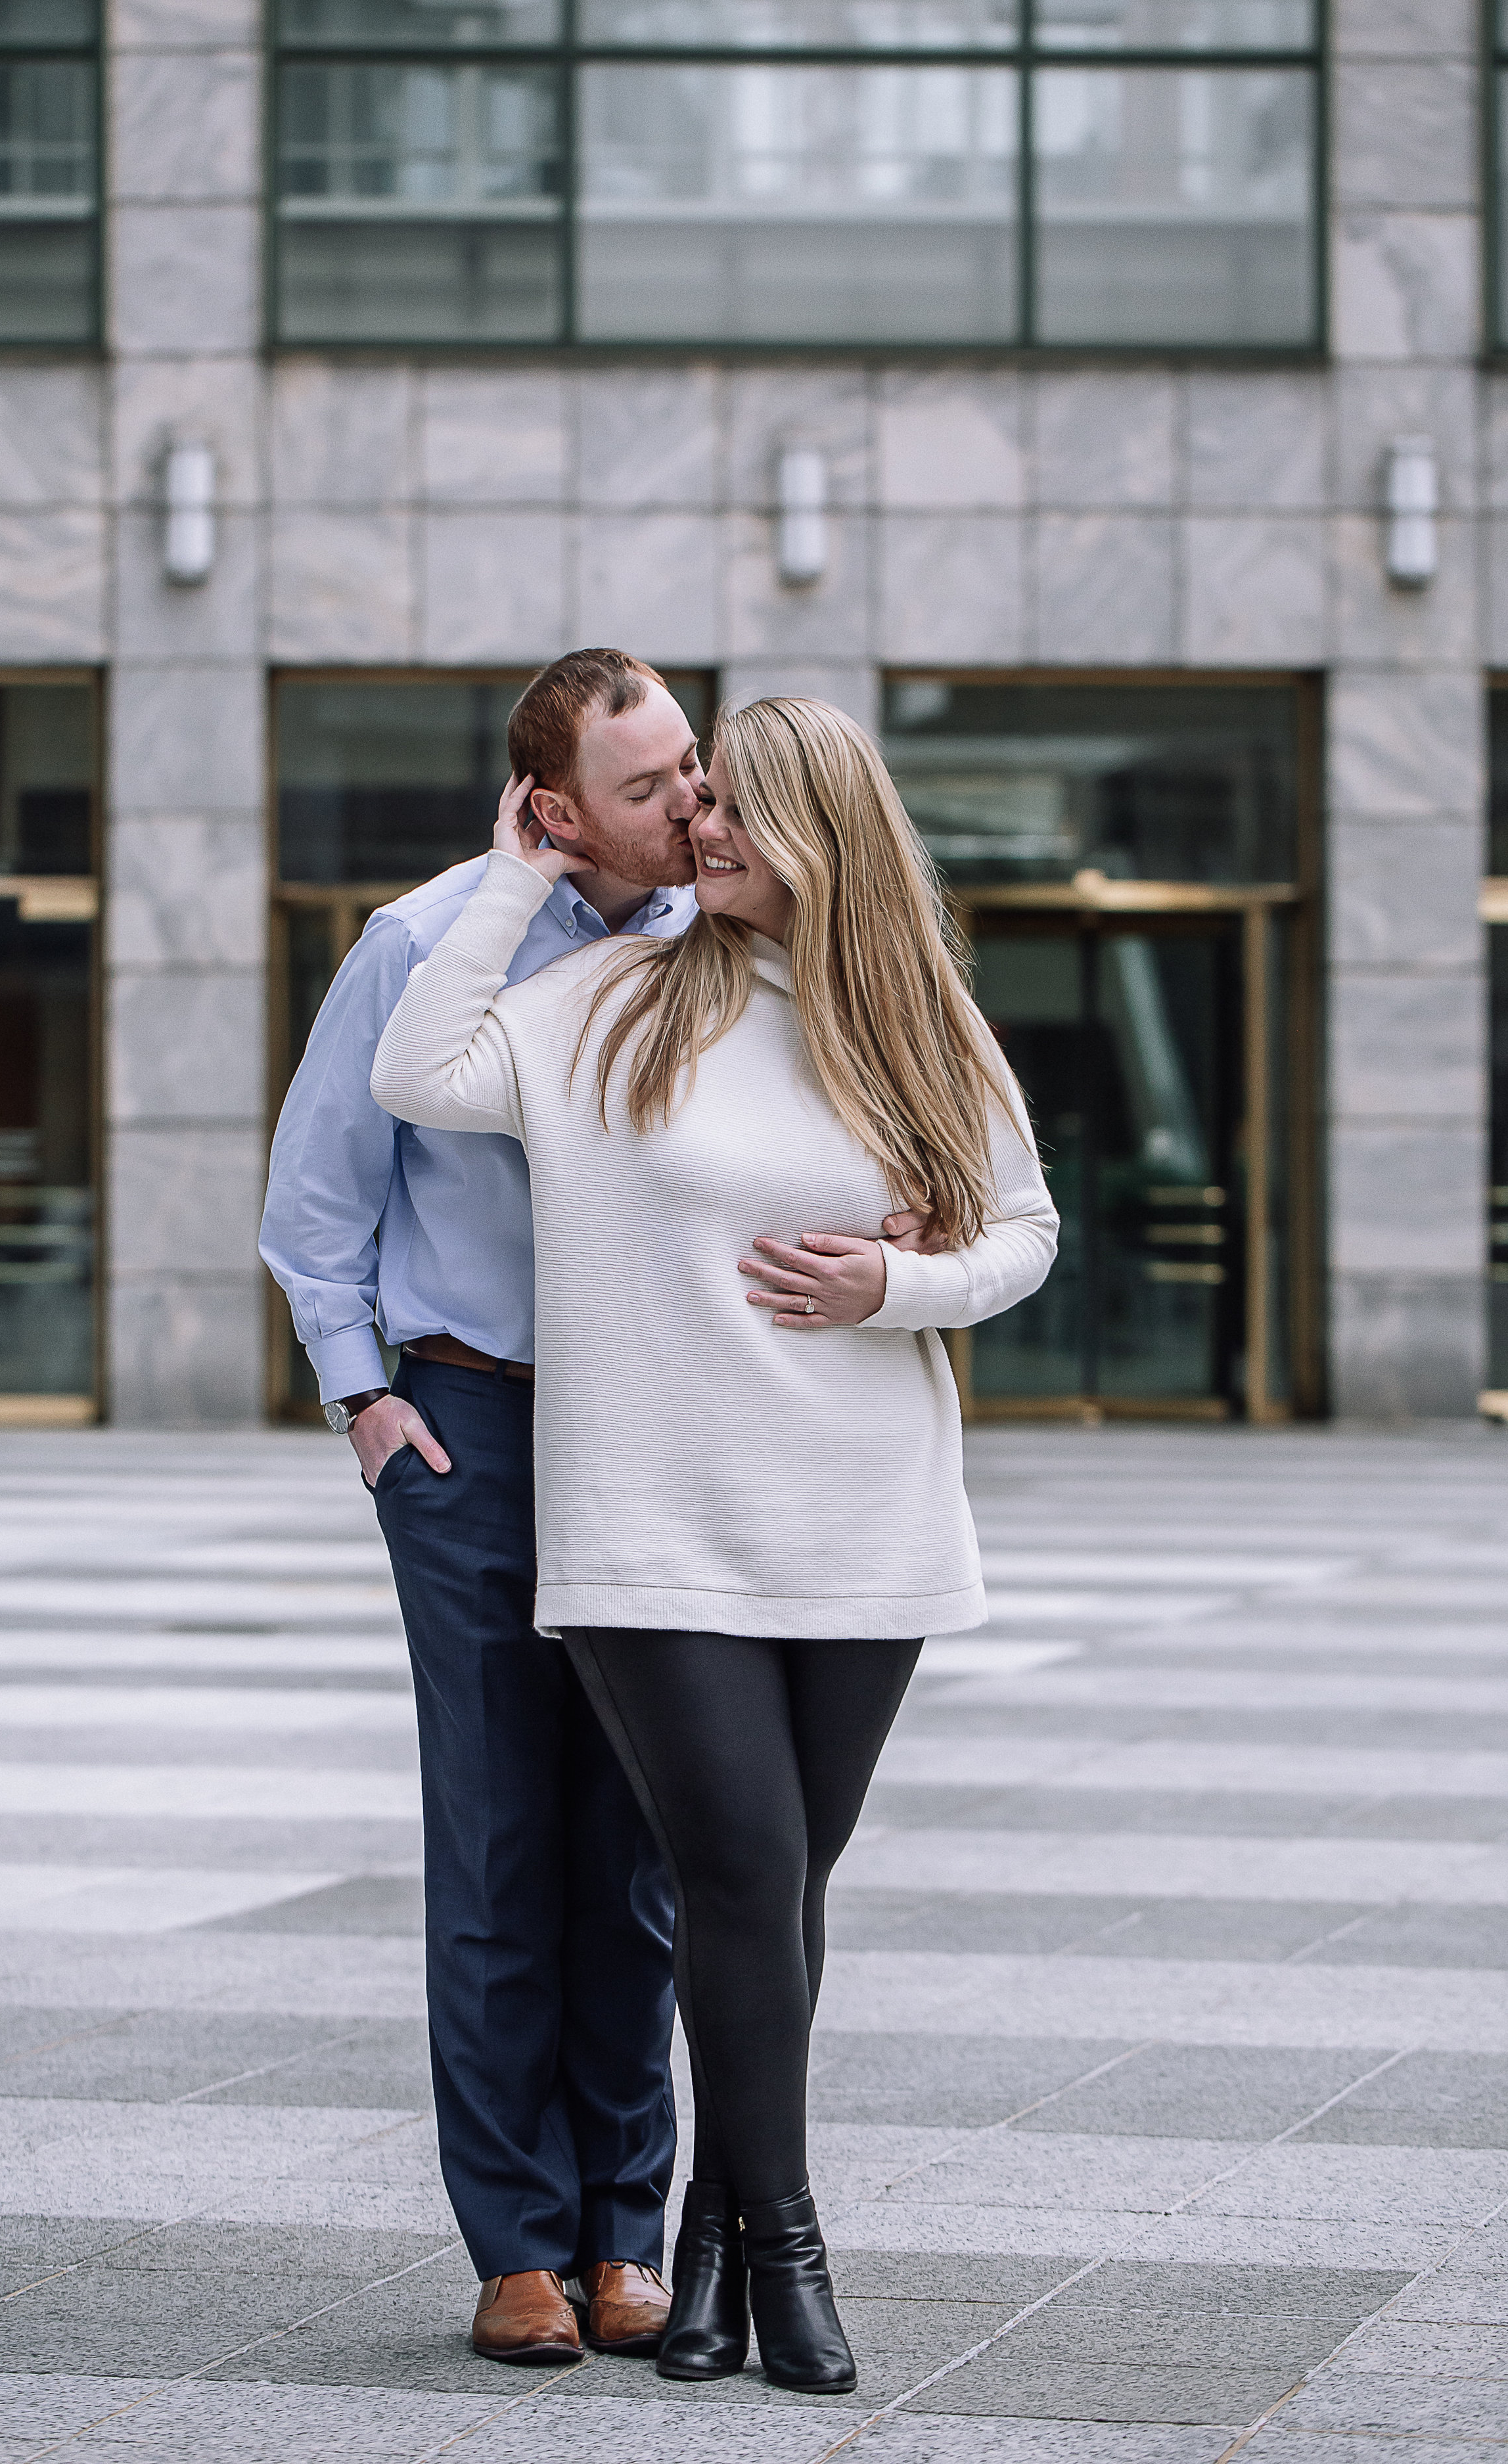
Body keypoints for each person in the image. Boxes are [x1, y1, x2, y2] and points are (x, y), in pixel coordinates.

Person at [369, 695, 1059, 2394]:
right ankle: (793, 2246)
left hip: (858, 1514)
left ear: (825, 829)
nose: (704, 829)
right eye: (698, 804)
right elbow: (418, 1071)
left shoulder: (906, 1019)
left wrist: (897, 1283)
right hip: (646, 1528)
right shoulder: (600, 1001)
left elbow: (1024, 1231)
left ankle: (705, 2241)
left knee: (778, 1888)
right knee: (737, 1874)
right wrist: (513, 871)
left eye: (741, 809)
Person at [259, 652, 938, 2369]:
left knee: (654, 1849)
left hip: (663, 1433)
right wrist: (370, 1400)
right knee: (499, 1840)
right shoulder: (426, 946)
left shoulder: (712, 952)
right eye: (646, 789)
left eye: (691, 767)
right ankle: (517, 2248)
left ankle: (627, 2234)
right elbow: (321, 1198)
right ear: (548, 807)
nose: (689, 804)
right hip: (474, 1426)